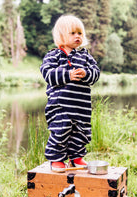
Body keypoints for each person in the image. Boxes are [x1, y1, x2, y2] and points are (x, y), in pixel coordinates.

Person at [40, 15, 100, 173]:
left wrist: (86, 73)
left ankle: (76, 157)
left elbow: (96, 73)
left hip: (81, 106)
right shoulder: (54, 56)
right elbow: (47, 74)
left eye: (80, 33)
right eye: (72, 33)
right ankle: (57, 159)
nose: (77, 36)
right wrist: (67, 75)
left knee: (81, 132)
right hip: (60, 106)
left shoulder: (85, 56)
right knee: (61, 130)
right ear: (61, 35)